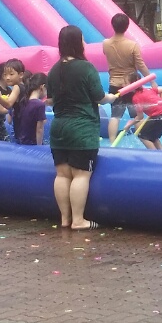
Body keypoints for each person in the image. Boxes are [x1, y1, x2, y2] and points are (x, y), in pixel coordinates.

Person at [47, 26, 117, 230]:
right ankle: (78, 220)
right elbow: (99, 97)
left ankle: (65, 219)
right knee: (81, 174)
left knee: (62, 174)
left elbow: (50, 100)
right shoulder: (86, 68)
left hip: (59, 128)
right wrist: (110, 98)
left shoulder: (53, 70)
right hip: (82, 129)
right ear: (77, 43)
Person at [103, 13, 152, 141]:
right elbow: (140, 65)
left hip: (114, 84)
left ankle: (112, 143)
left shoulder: (106, 44)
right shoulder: (132, 45)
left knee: (115, 116)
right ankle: (141, 141)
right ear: (127, 26)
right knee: (137, 115)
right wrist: (151, 79)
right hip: (131, 85)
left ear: (113, 25)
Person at [130, 81, 162, 150]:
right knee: (153, 137)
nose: (123, 85)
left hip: (159, 115)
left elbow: (140, 117)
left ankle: (154, 155)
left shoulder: (136, 98)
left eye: (125, 83)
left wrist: (129, 125)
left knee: (142, 136)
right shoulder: (148, 90)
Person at [13, 72, 48, 146]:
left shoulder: (23, 101)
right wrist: (39, 147)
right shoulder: (39, 105)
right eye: (47, 90)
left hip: (22, 142)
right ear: (42, 87)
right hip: (33, 144)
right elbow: (39, 129)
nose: (46, 93)